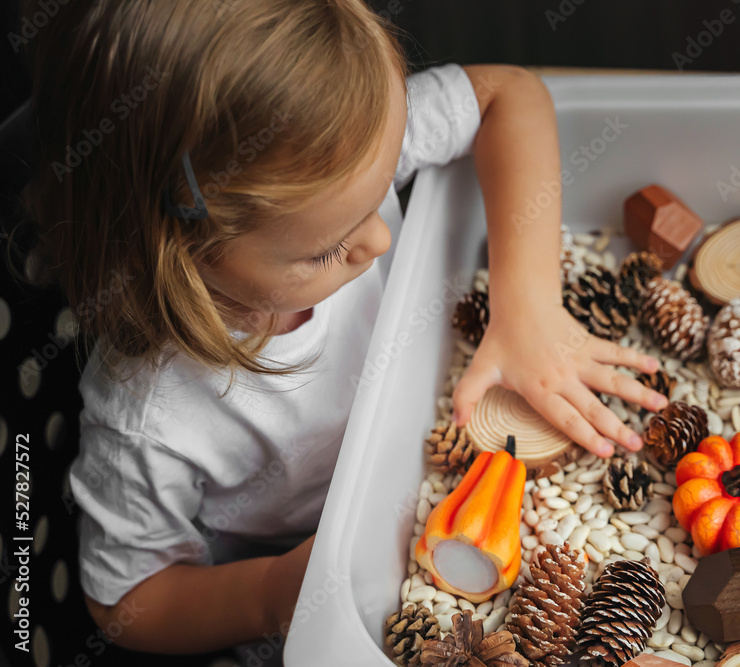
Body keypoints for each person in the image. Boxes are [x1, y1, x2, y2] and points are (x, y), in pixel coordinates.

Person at [20, 0, 669, 662]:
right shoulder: (149, 414)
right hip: (295, 574)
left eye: (384, 185)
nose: (381, 235)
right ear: (178, 255)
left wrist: (525, 304)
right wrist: (268, 592)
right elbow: (128, 601)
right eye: (328, 249)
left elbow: (512, 94)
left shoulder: (335, 138)